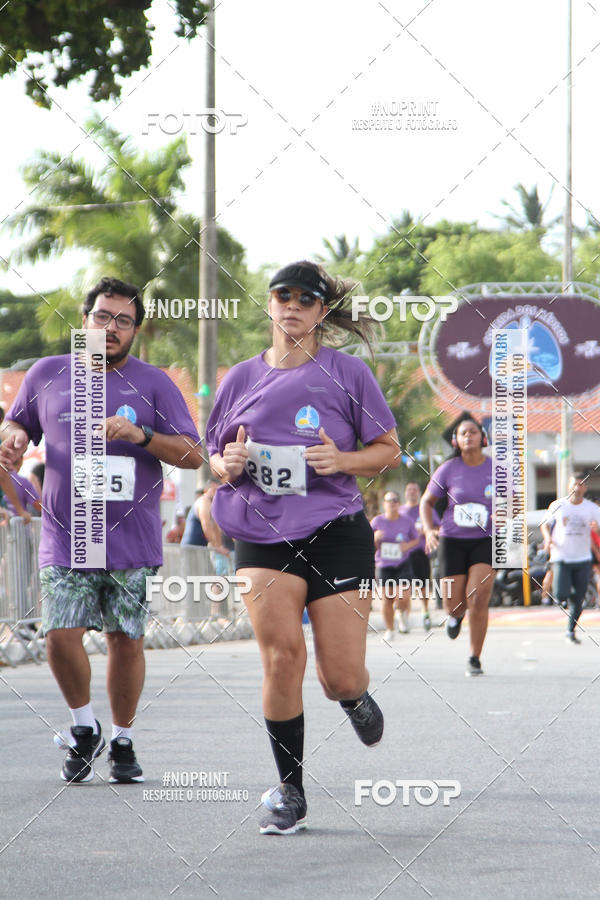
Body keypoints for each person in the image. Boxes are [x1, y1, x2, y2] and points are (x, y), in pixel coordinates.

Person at [206, 260, 400, 835]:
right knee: (281, 656)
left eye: (305, 299)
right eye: (282, 295)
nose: (291, 305)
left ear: (320, 312)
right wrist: (227, 463)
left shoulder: (347, 373)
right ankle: (290, 790)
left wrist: (342, 461)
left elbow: (388, 449)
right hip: (261, 534)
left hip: (336, 531)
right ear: (269, 304)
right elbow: (214, 456)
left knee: (339, 675)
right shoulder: (238, 378)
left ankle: (355, 697)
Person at [0, 276, 202, 783]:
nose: (111, 328)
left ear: (136, 330)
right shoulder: (47, 373)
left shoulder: (154, 383)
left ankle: (122, 738)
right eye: (103, 317)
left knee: (125, 641)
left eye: (124, 321)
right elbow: (18, 424)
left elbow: (195, 454)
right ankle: (83, 727)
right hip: (66, 534)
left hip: (130, 539)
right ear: (84, 319)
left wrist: (141, 433)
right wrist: (14, 436)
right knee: (60, 635)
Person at [419, 416, 494, 676]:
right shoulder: (448, 469)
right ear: (456, 440)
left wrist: (506, 514)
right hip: (452, 540)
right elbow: (426, 502)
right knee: (454, 604)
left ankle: (474, 657)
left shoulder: (497, 468)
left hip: (486, 540)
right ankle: (455, 617)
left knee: (478, 597)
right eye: (463, 433)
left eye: (473, 432)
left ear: (482, 438)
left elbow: (514, 501)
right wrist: (429, 530)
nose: (468, 436)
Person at [540, 472, 600, 642]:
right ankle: (563, 598)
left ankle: (570, 630)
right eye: (575, 484)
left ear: (585, 487)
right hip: (561, 557)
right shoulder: (558, 505)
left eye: (581, 484)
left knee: (579, 599)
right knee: (560, 593)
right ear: (569, 485)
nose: (577, 488)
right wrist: (547, 538)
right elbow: (545, 524)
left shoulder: (592, 508)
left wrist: (596, 530)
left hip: (582, 558)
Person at [371, 490, 419, 640]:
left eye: (395, 500)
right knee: (387, 598)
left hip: (402, 563)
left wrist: (407, 546)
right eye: (388, 500)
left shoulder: (407, 521)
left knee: (403, 597)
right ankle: (390, 630)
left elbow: (416, 538)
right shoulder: (377, 521)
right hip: (384, 564)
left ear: (399, 503)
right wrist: (374, 537)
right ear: (384, 504)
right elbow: (365, 540)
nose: (392, 503)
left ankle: (402, 613)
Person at [400, 481, 441, 630]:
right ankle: (404, 616)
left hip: (421, 552)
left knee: (422, 585)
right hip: (403, 555)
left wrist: (426, 530)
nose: (411, 492)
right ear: (405, 493)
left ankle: (425, 611)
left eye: (414, 490)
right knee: (404, 587)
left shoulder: (425, 509)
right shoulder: (399, 511)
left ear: (419, 493)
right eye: (409, 490)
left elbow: (438, 527)